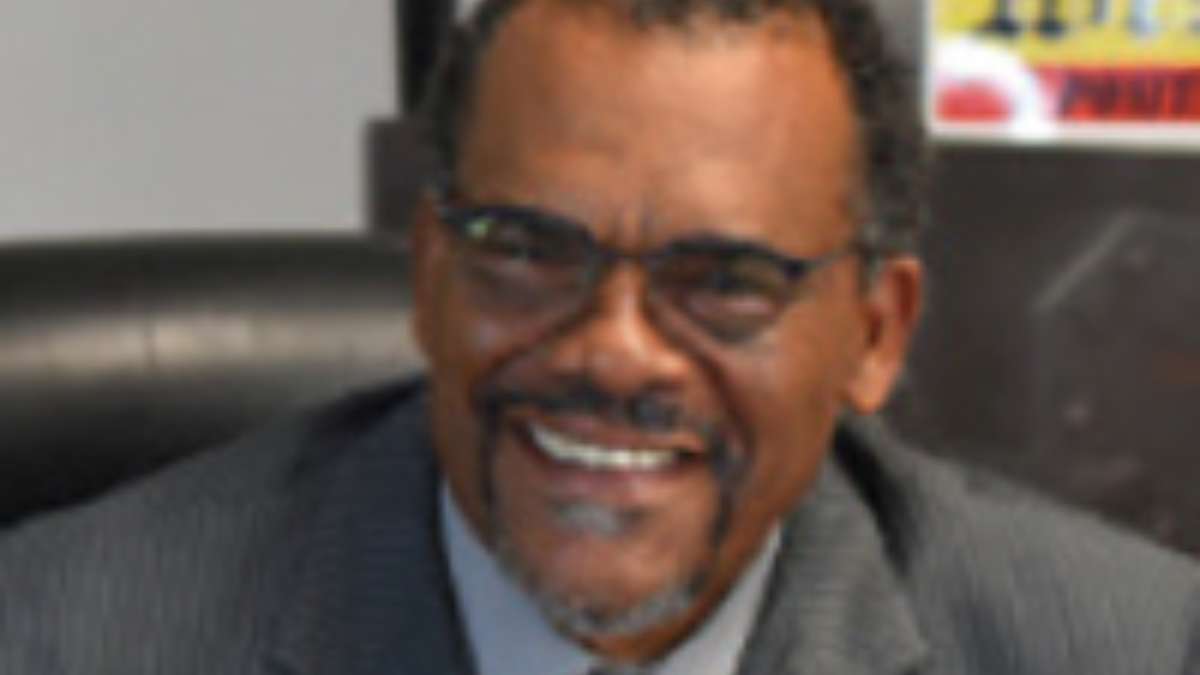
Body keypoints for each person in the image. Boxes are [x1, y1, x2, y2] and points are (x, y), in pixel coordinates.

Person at [2, 0, 1198, 673]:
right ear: (429, 273)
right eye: (528, 249)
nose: (614, 350)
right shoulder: (68, 638)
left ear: (875, 335)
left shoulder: (1132, 649)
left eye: (725, 280)